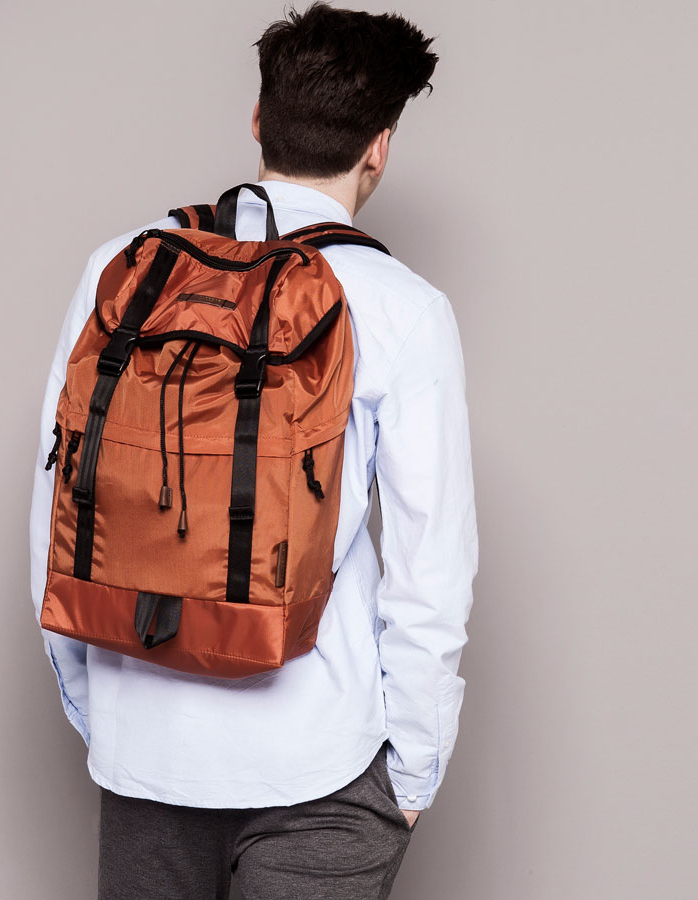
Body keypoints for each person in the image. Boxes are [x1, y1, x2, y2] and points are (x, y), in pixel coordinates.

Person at [25, 5, 476, 897]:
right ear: (379, 148)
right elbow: (431, 567)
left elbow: (58, 508)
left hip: (145, 751)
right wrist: (413, 773)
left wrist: (101, 710)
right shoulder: (401, 305)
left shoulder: (125, 269)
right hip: (321, 760)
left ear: (259, 118)